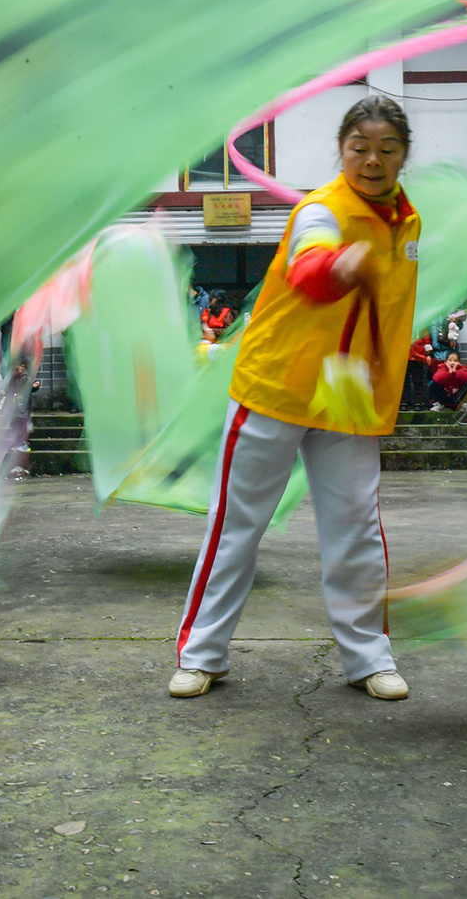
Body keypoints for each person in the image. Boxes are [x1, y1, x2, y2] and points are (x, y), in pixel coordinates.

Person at [172, 96, 417, 702]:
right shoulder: (322, 209)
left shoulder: (407, 222)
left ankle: (369, 658)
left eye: (386, 149)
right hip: (276, 387)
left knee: (357, 528)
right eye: (360, 148)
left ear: (403, 155)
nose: (372, 160)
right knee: (236, 526)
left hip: (346, 396)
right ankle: (201, 654)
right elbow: (310, 267)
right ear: (341, 151)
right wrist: (338, 268)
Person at [405, 333, 433, 410]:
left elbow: (427, 341)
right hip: (405, 356)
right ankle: (403, 401)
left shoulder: (422, 329)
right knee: (404, 381)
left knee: (418, 381)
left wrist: (429, 354)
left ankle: (418, 401)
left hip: (418, 358)